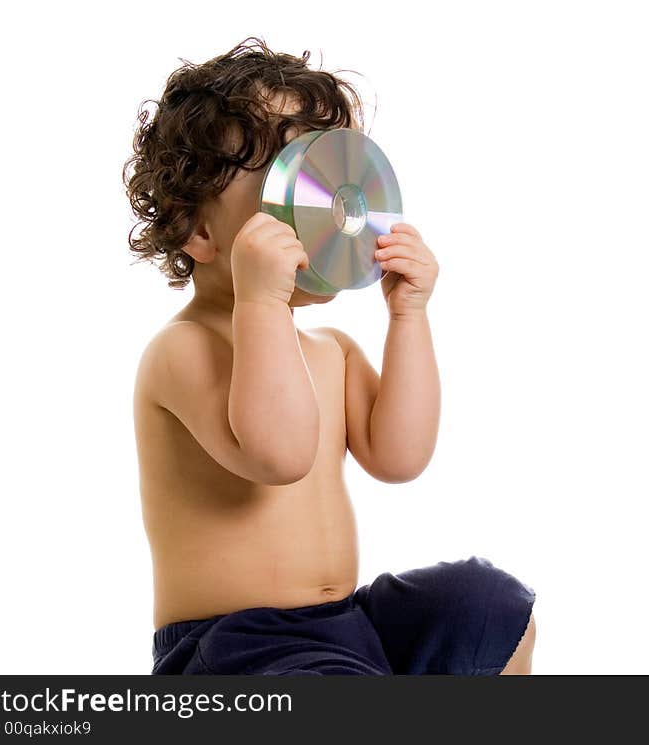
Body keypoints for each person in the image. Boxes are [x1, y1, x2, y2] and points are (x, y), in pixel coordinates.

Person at [124, 36, 536, 675]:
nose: (322, 208)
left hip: (345, 629)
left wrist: (408, 316)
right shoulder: (181, 351)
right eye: (287, 180)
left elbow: (400, 457)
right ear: (197, 230)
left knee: (486, 605)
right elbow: (280, 453)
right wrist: (260, 304)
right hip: (235, 653)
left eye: (328, 177)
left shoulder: (330, 350)